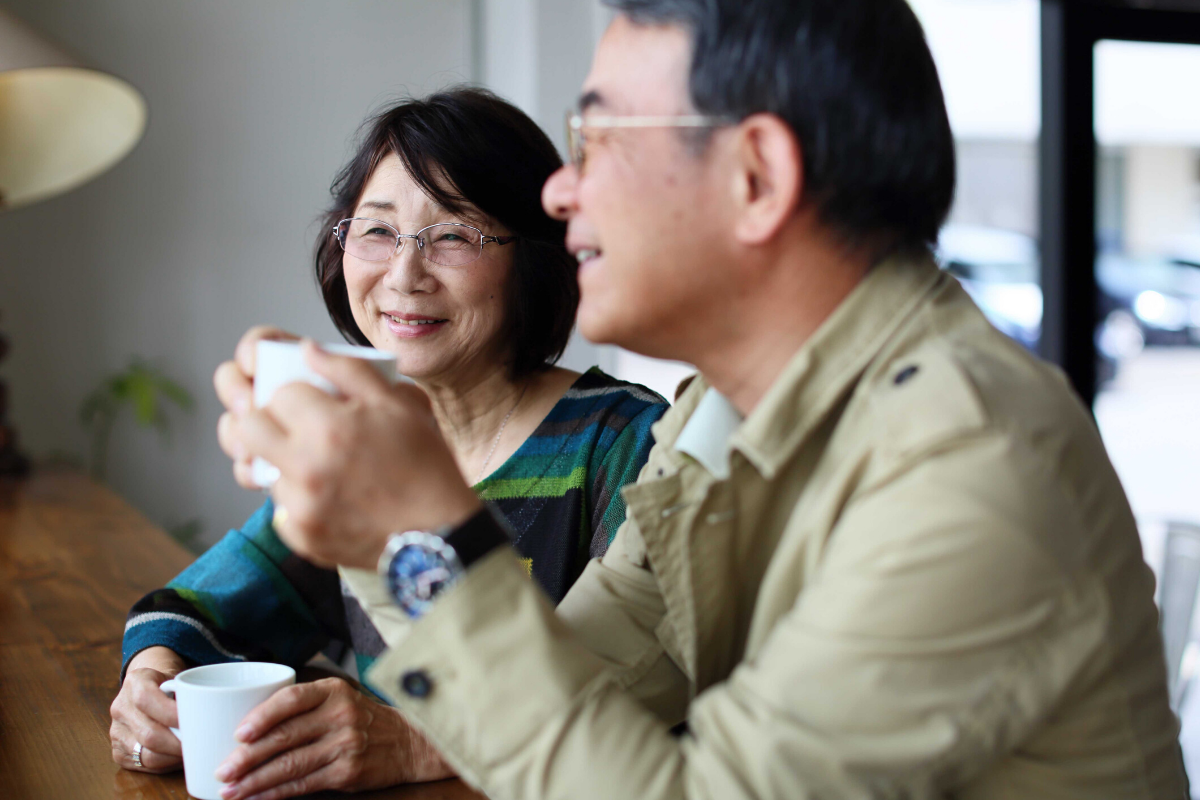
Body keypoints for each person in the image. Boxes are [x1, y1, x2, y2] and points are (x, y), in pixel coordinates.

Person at [220, 2, 1189, 798]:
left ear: (756, 178)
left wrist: (419, 534)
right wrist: (389, 532)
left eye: (595, 139)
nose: (558, 191)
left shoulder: (967, 463)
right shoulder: (716, 418)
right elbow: (586, 681)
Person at [108, 87, 669, 798]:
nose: (404, 275)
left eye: (455, 235)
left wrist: (417, 741)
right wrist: (150, 682)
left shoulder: (625, 440)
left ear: (534, 258)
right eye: (376, 232)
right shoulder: (363, 444)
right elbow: (202, 605)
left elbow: (638, 692)